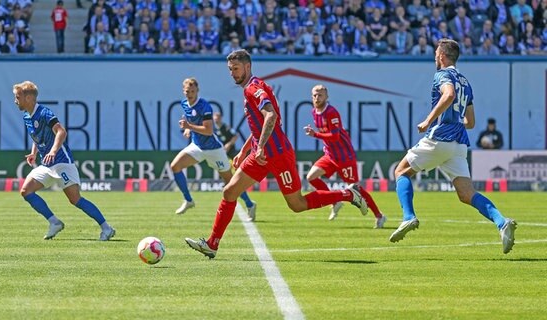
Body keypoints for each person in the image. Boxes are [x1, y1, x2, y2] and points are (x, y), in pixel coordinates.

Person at [185, 50, 368, 259]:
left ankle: (349, 194)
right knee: (229, 192)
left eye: (235, 69)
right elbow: (260, 125)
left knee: (297, 204)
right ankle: (212, 244)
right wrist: (246, 151)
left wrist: (260, 146)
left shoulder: (253, 88)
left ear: (247, 67)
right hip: (260, 154)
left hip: (278, 154)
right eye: (230, 70)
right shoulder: (254, 88)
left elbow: (270, 116)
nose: (232, 73)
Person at [389, 39, 517, 254]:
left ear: (441, 56)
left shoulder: (442, 75)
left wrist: (428, 120)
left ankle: (408, 217)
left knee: (400, 171)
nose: (435, 57)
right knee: (466, 194)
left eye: (436, 53)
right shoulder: (466, 82)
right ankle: (501, 222)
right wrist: (456, 120)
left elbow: (448, 95)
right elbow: (471, 122)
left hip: (439, 139)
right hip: (459, 145)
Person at [13, 81, 115, 241]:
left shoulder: (44, 113)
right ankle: (54, 222)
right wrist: (33, 152)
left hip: (61, 162)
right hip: (46, 164)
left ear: (28, 98)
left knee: (75, 199)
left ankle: (106, 228)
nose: (15, 100)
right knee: (26, 191)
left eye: (18, 97)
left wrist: (53, 151)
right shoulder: (27, 116)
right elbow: (37, 137)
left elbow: (61, 131)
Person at [170, 78, 257, 220]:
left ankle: (250, 204)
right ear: (183, 91)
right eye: (187, 91)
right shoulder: (184, 103)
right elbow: (189, 117)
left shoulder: (204, 106)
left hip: (214, 149)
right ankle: (189, 200)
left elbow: (209, 131)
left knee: (230, 182)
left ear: (197, 91)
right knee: (175, 166)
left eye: (192, 91)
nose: (190, 94)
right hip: (197, 146)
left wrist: (189, 127)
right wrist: (189, 131)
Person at [304, 84, 387, 228]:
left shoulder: (331, 112)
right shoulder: (314, 112)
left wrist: (315, 134)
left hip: (344, 156)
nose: (317, 98)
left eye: (320, 95)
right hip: (330, 155)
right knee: (311, 177)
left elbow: (335, 136)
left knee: (356, 188)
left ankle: (379, 215)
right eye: (314, 95)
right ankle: (335, 202)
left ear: (327, 97)